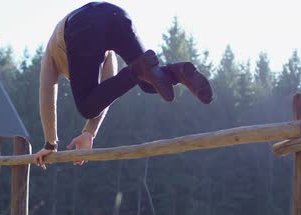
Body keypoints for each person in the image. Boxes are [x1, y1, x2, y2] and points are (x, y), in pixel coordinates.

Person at [34, 1, 213, 169]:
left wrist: (50, 143)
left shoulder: (51, 52)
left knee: (87, 108)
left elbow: (47, 91)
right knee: (149, 81)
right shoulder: (105, 55)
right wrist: (89, 133)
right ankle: (177, 72)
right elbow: (108, 90)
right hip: (117, 15)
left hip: (82, 24)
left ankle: (139, 70)